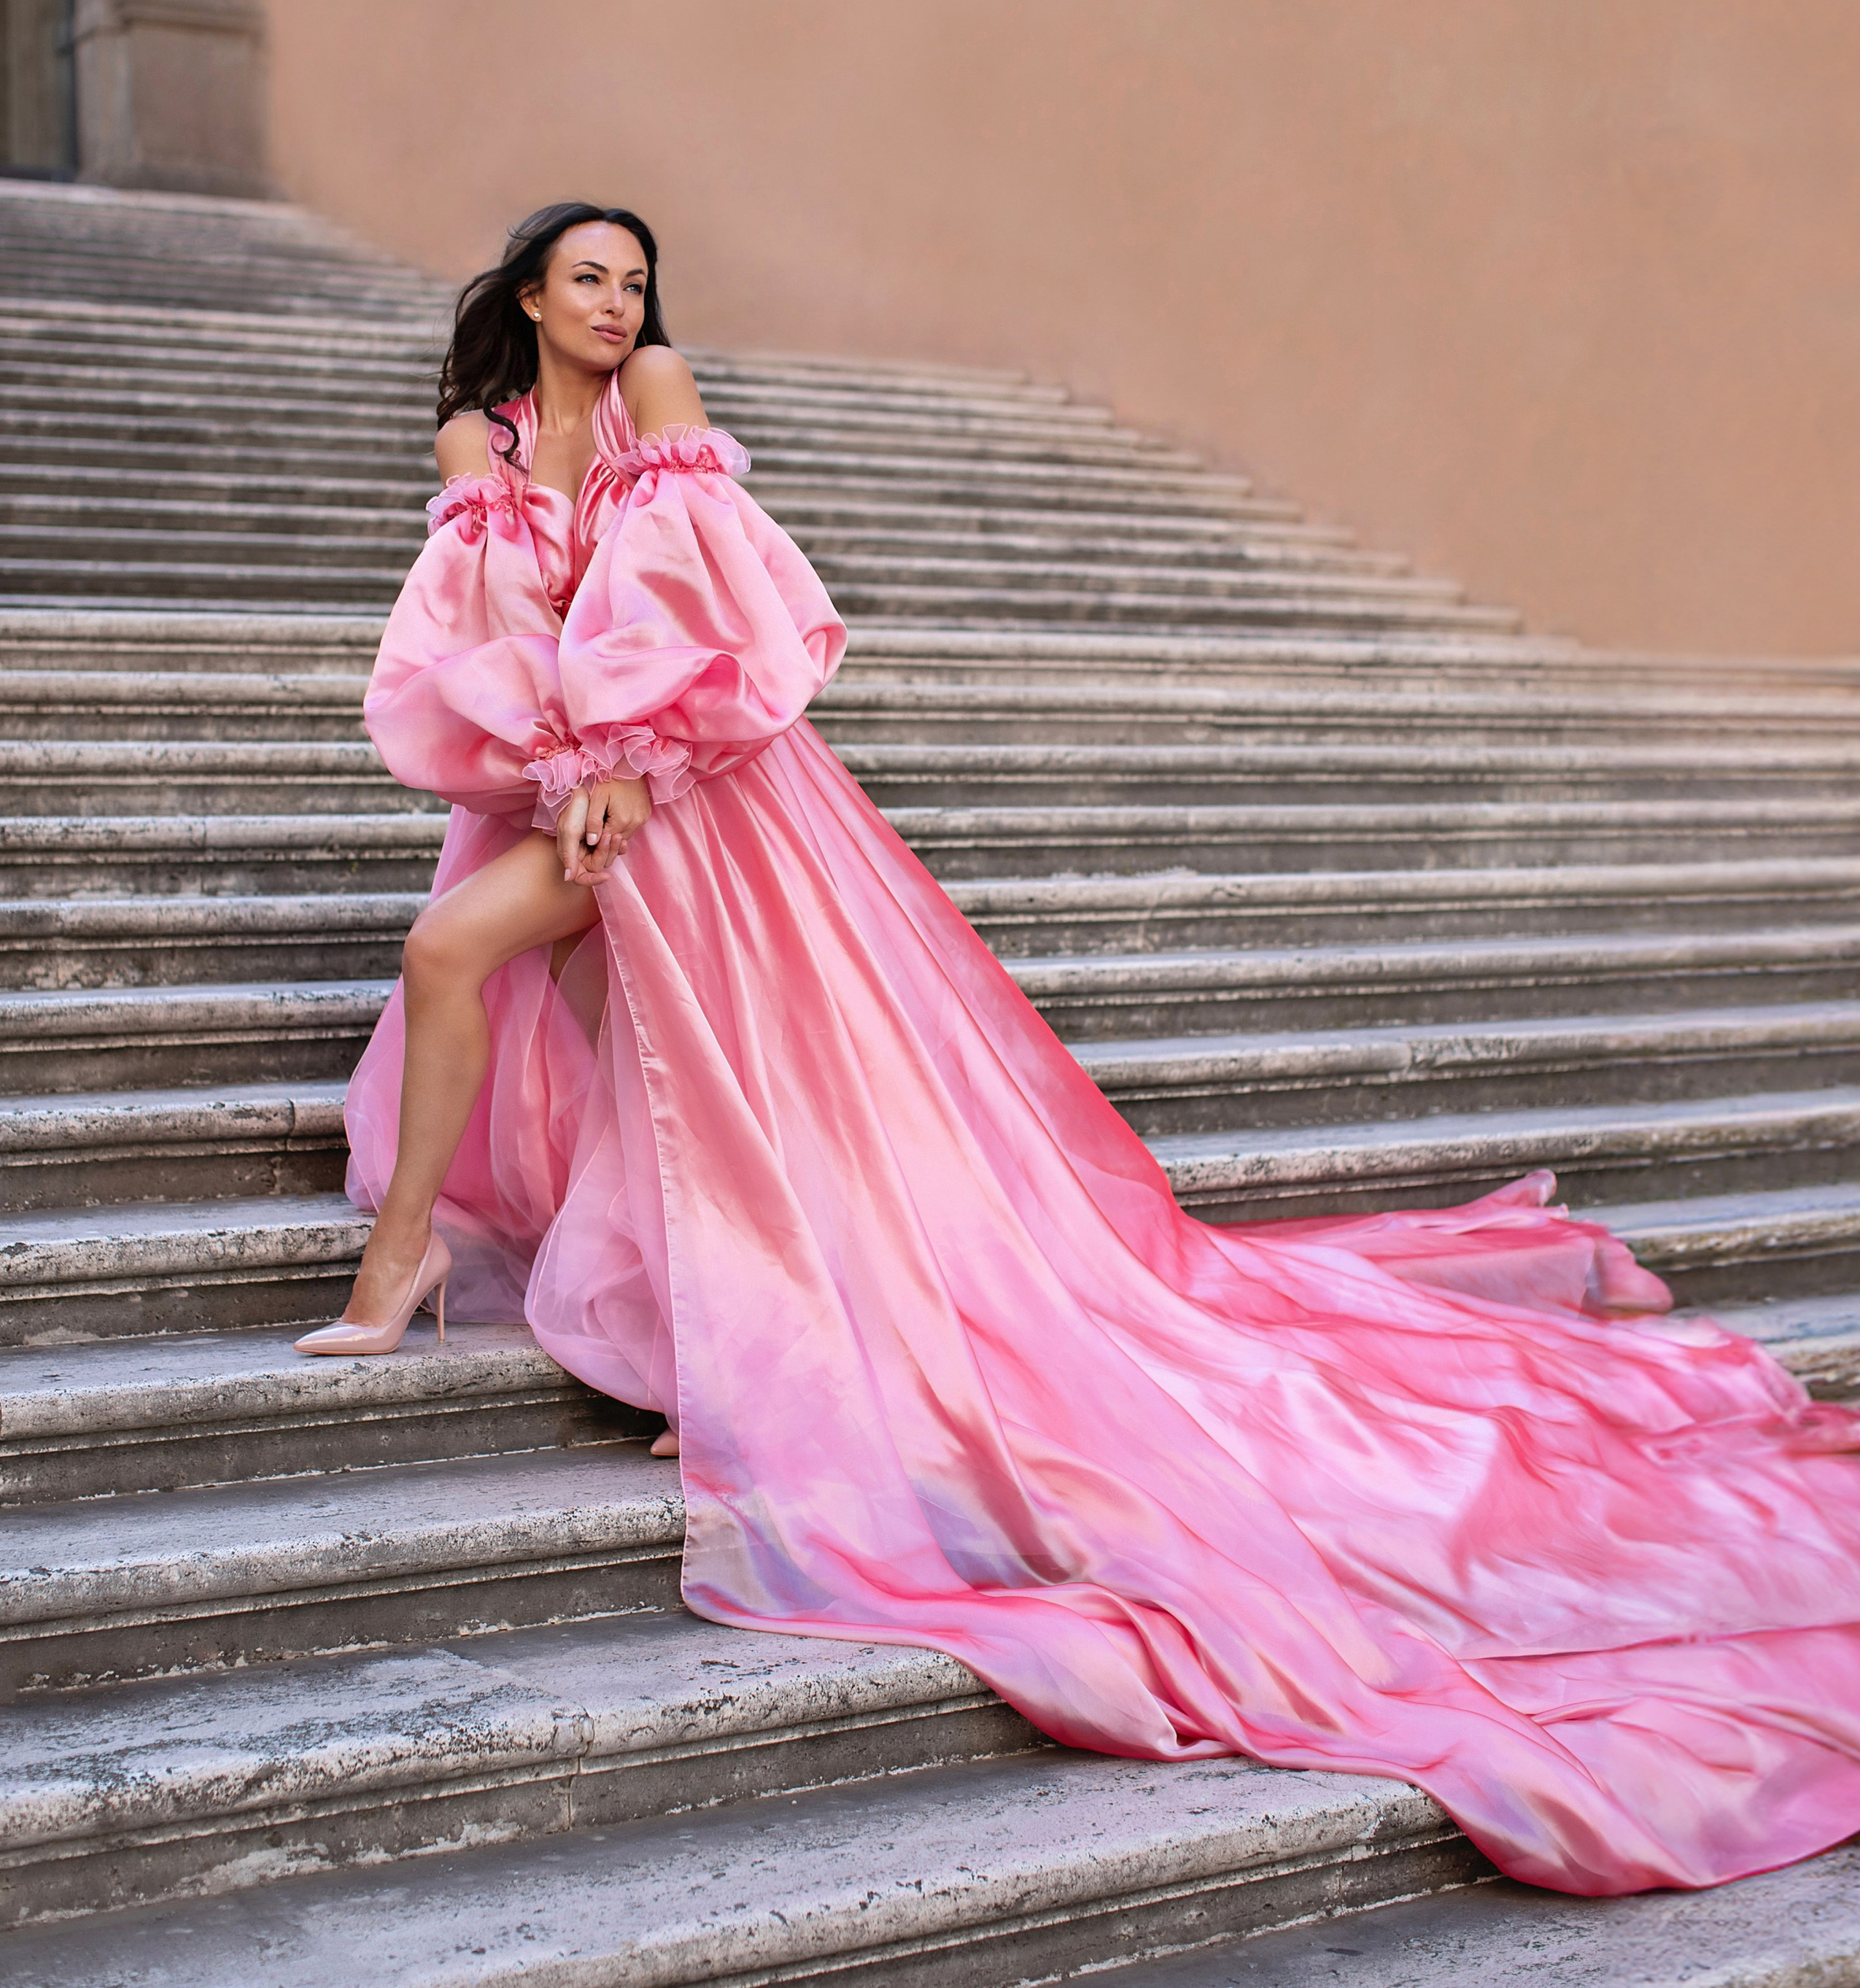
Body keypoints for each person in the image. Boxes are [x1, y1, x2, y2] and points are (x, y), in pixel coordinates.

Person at [309, 199, 1860, 1898]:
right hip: (564, 781)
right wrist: (559, 755)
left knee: (684, 1065)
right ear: (529, 292)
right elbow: (479, 626)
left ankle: (573, 1311)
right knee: (579, 1026)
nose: (617, 307)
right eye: (587, 279)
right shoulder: (487, 436)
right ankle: (491, 1288)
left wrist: (623, 751)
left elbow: (697, 595)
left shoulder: (663, 398)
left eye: (634, 281)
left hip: (700, 785)